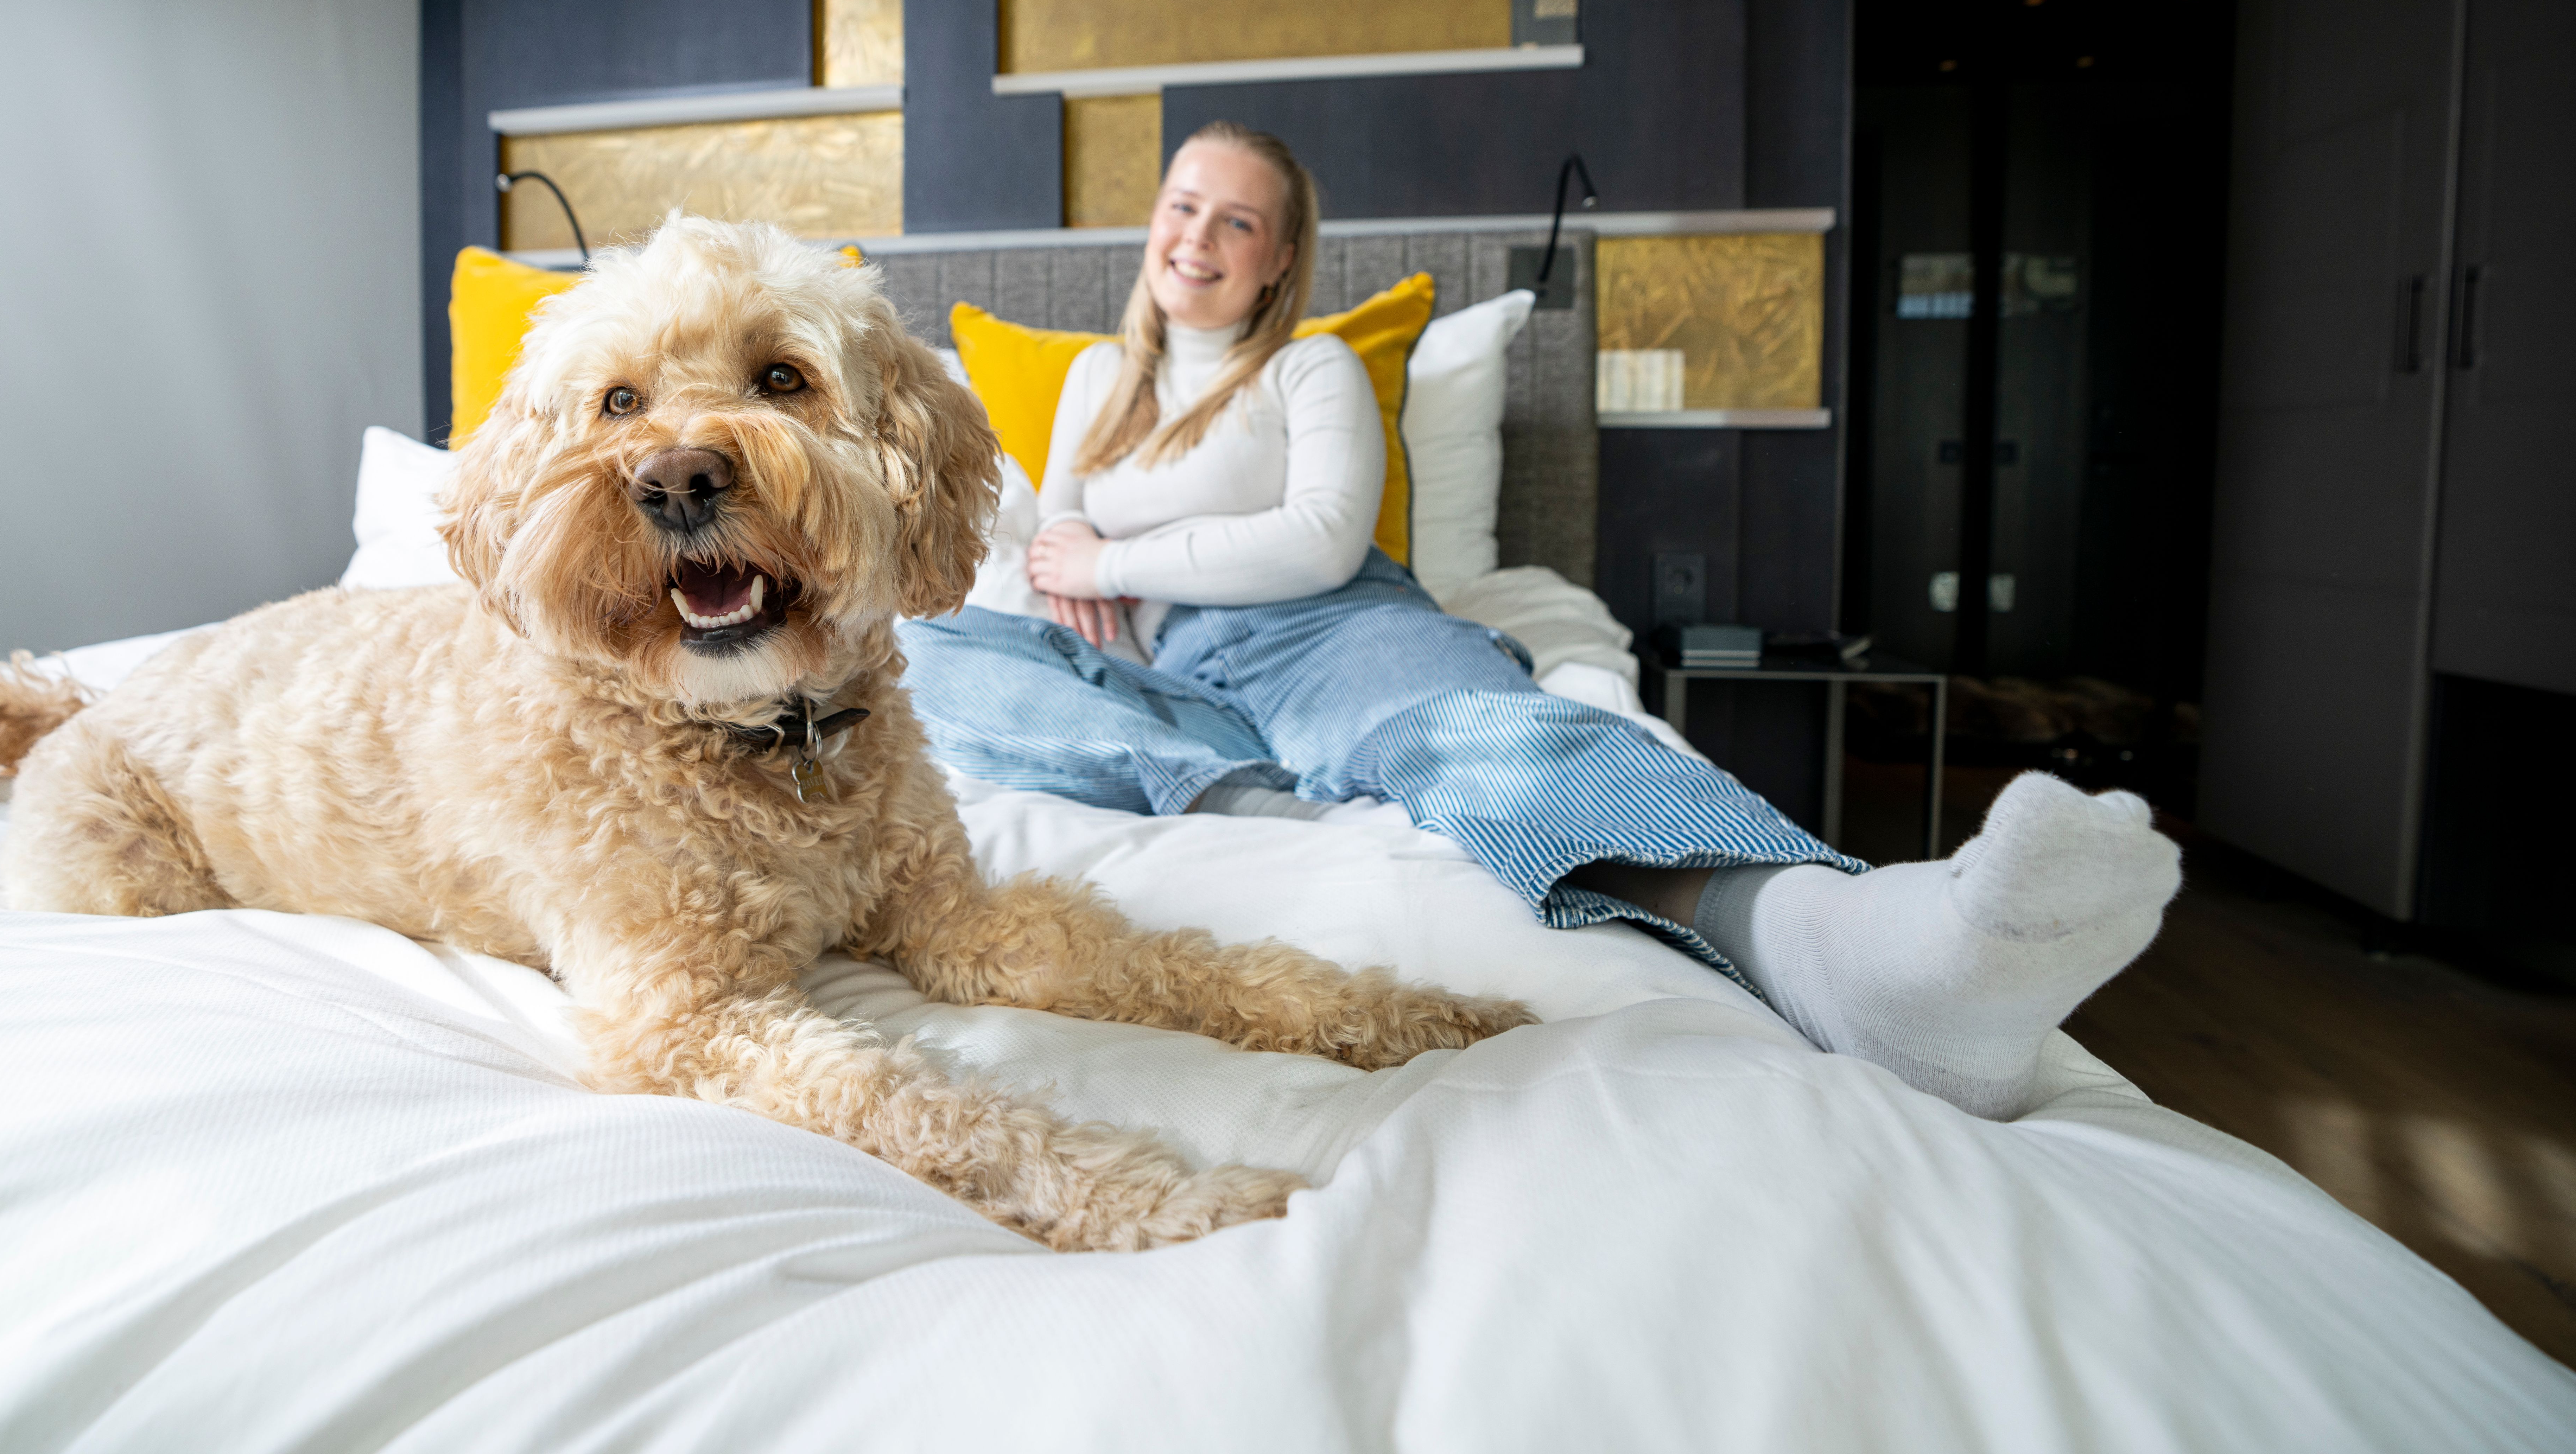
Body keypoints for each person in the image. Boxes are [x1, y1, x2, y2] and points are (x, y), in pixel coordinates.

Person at [899, 122, 2176, 1120]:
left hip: (1325, 630)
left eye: (1239, 219)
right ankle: (1260, 805)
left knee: (1493, 739)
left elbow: (1320, 538)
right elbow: (1049, 536)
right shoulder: (1095, 385)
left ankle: (1847, 953)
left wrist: (1116, 554)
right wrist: (1075, 566)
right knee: (915, 645)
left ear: (1282, 256)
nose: (1199, 236)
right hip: (1161, 676)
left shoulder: (1309, 367)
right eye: (1184, 206)